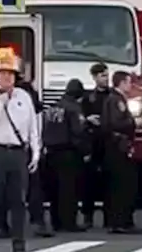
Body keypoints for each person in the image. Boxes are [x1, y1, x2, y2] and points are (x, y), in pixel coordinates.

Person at [0, 48, 41, 252]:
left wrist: (35, 151)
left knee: (19, 202)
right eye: (2, 73)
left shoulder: (24, 96)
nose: (6, 77)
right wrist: (0, 102)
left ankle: (19, 245)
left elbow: (32, 126)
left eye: (10, 74)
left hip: (17, 153)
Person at [42, 78, 89, 233]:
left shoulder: (54, 107)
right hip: (69, 153)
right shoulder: (74, 108)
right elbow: (78, 131)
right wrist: (85, 150)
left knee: (55, 190)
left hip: (51, 152)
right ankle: (69, 222)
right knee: (69, 190)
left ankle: (56, 221)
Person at [100, 71, 142, 234]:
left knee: (120, 184)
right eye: (128, 82)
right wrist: (134, 122)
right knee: (123, 185)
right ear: (121, 83)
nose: (130, 86)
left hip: (116, 146)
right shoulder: (116, 100)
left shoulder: (113, 99)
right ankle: (121, 221)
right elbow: (116, 123)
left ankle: (119, 220)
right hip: (118, 147)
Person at [80, 62, 112, 230]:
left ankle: (109, 216)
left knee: (109, 181)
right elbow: (80, 119)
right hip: (93, 142)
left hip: (108, 141)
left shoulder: (112, 95)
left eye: (106, 75)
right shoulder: (88, 98)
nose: (105, 79)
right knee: (89, 182)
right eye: (102, 76)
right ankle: (88, 215)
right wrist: (88, 119)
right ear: (94, 77)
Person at [16, 70, 49, 236]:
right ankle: (37, 221)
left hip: (10, 146)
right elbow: (36, 123)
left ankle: (1, 224)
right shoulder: (29, 95)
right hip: (27, 146)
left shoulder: (2, 95)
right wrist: (38, 147)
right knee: (34, 187)